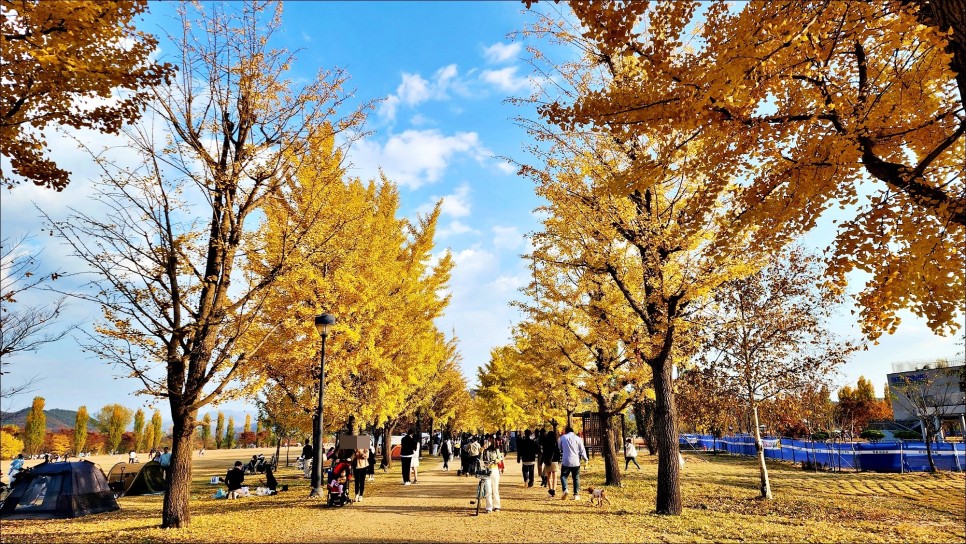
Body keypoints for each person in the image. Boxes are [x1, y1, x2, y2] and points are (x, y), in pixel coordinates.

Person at [558, 426, 588, 501]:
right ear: (572, 431)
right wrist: (585, 459)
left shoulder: (563, 438)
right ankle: (576, 494)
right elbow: (582, 449)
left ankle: (565, 489)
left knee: (563, 476)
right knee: (576, 478)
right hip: (575, 461)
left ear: (566, 431)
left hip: (566, 461)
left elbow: (560, 448)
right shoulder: (578, 438)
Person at [480, 438, 504, 514]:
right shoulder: (484, 450)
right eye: (488, 441)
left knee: (495, 489)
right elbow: (479, 458)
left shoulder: (496, 450)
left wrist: (495, 461)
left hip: (494, 469)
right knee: (488, 490)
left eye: (491, 440)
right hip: (486, 470)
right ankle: (489, 507)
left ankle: (497, 506)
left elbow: (500, 459)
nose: (490, 442)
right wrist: (483, 448)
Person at [540, 428, 561, 496]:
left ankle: (550, 489)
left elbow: (544, 454)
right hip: (555, 461)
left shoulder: (545, 443)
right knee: (555, 477)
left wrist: (541, 462)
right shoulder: (555, 443)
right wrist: (559, 461)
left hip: (547, 461)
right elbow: (558, 453)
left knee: (549, 477)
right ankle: (554, 490)